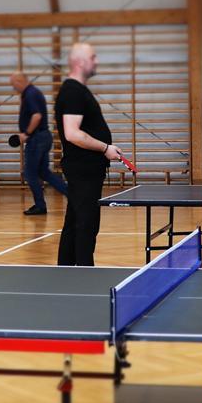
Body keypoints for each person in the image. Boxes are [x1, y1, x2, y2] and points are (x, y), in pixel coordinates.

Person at [54, 42, 122, 266]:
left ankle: (66, 270)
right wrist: (105, 148)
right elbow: (72, 133)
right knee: (86, 224)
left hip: (85, 169)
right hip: (83, 170)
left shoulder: (77, 90)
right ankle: (85, 271)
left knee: (75, 222)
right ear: (80, 62)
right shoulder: (73, 92)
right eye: (93, 57)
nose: (97, 61)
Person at [10, 72, 67, 216]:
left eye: (14, 84)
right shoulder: (33, 92)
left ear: (20, 81)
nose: (13, 87)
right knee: (43, 172)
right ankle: (72, 195)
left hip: (36, 139)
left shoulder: (30, 94)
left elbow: (37, 116)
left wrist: (26, 133)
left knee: (30, 173)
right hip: (43, 137)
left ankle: (40, 206)